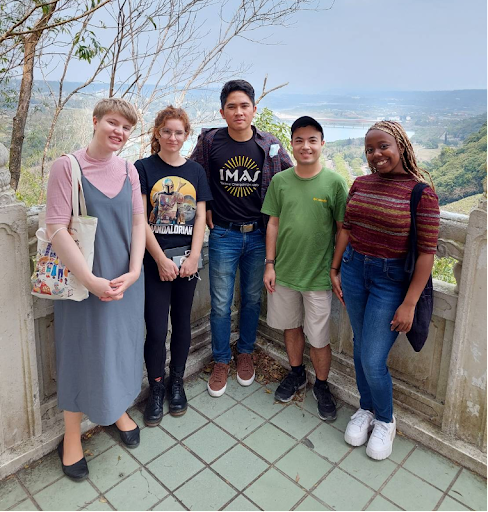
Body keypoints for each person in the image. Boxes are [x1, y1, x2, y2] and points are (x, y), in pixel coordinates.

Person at [45, 98, 146, 480]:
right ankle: (72, 435)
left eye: (126, 127)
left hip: (124, 280)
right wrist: (90, 280)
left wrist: (135, 270)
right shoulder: (66, 167)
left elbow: (139, 223)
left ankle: (117, 408)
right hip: (81, 283)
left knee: (121, 348)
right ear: (96, 121)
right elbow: (56, 226)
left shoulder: (128, 170)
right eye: (113, 123)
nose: (119, 132)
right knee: (80, 352)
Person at [330, 120, 440, 460]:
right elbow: (347, 229)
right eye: (369, 150)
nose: (376, 154)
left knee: (373, 359)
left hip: (389, 280)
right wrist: (335, 267)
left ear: (402, 147)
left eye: (383, 147)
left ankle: (386, 419)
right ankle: (365, 408)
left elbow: (426, 253)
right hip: (353, 269)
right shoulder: (361, 184)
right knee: (362, 346)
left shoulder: (421, 193)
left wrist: (408, 303)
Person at [191, 80, 292, 397]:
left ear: (254, 109)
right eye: (231, 107)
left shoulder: (269, 144)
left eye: (244, 106)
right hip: (223, 234)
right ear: (222, 111)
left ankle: (244, 352)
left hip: (259, 235)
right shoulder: (210, 142)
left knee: (251, 300)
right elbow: (190, 174)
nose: (238, 112)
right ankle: (221, 360)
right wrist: (203, 205)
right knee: (220, 305)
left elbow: (292, 178)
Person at [262, 116, 348, 421]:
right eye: (299, 140)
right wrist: (269, 265)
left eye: (312, 140)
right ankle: (296, 374)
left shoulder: (335, 183)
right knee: (291, 327)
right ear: (292, 145)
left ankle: (321, 386)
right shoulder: (280, 181)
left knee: (319, 337)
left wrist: (335, 269)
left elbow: (343, 229)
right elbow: (273, 223)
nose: (306, 146)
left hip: (319, 277)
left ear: (322, 144)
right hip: (284, 272)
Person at [135, 106, 212, 425]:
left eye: (179, 132)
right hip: (155, 262)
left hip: (187, 262)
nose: (173, 137)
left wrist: (194, 256)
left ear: (186, 135)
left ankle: (175, 382)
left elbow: (200, 219)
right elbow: (139, 220)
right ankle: (155, 388)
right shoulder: (143, 168)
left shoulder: (195, 171)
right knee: (155, 328)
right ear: (157, 133)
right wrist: (159, 259)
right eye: (167, 131)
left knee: (182, 323)